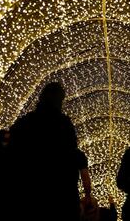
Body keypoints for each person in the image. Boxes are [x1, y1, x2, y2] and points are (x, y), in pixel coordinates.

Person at [8, 81, 92, 220]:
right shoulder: (64, 124)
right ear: (60, 100)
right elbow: (71, 155)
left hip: (28, 198)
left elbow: (12, 155)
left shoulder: (25, 122)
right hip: (61, 199)